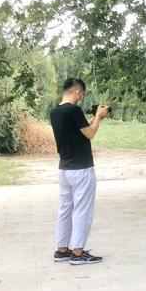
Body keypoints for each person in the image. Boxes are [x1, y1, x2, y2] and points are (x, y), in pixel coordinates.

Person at [50, 78, 109, 266]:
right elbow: (90, 134)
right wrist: (98, 116)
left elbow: (80, 130)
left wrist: (95, 118)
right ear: (78, 92)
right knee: (82, 209)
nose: (81, 97)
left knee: (65, 209)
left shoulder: (55, 112)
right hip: (82, 168)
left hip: (65, 168)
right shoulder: (74, 110)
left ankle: (62, 250)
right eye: (82, 94)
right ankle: (77, 252)